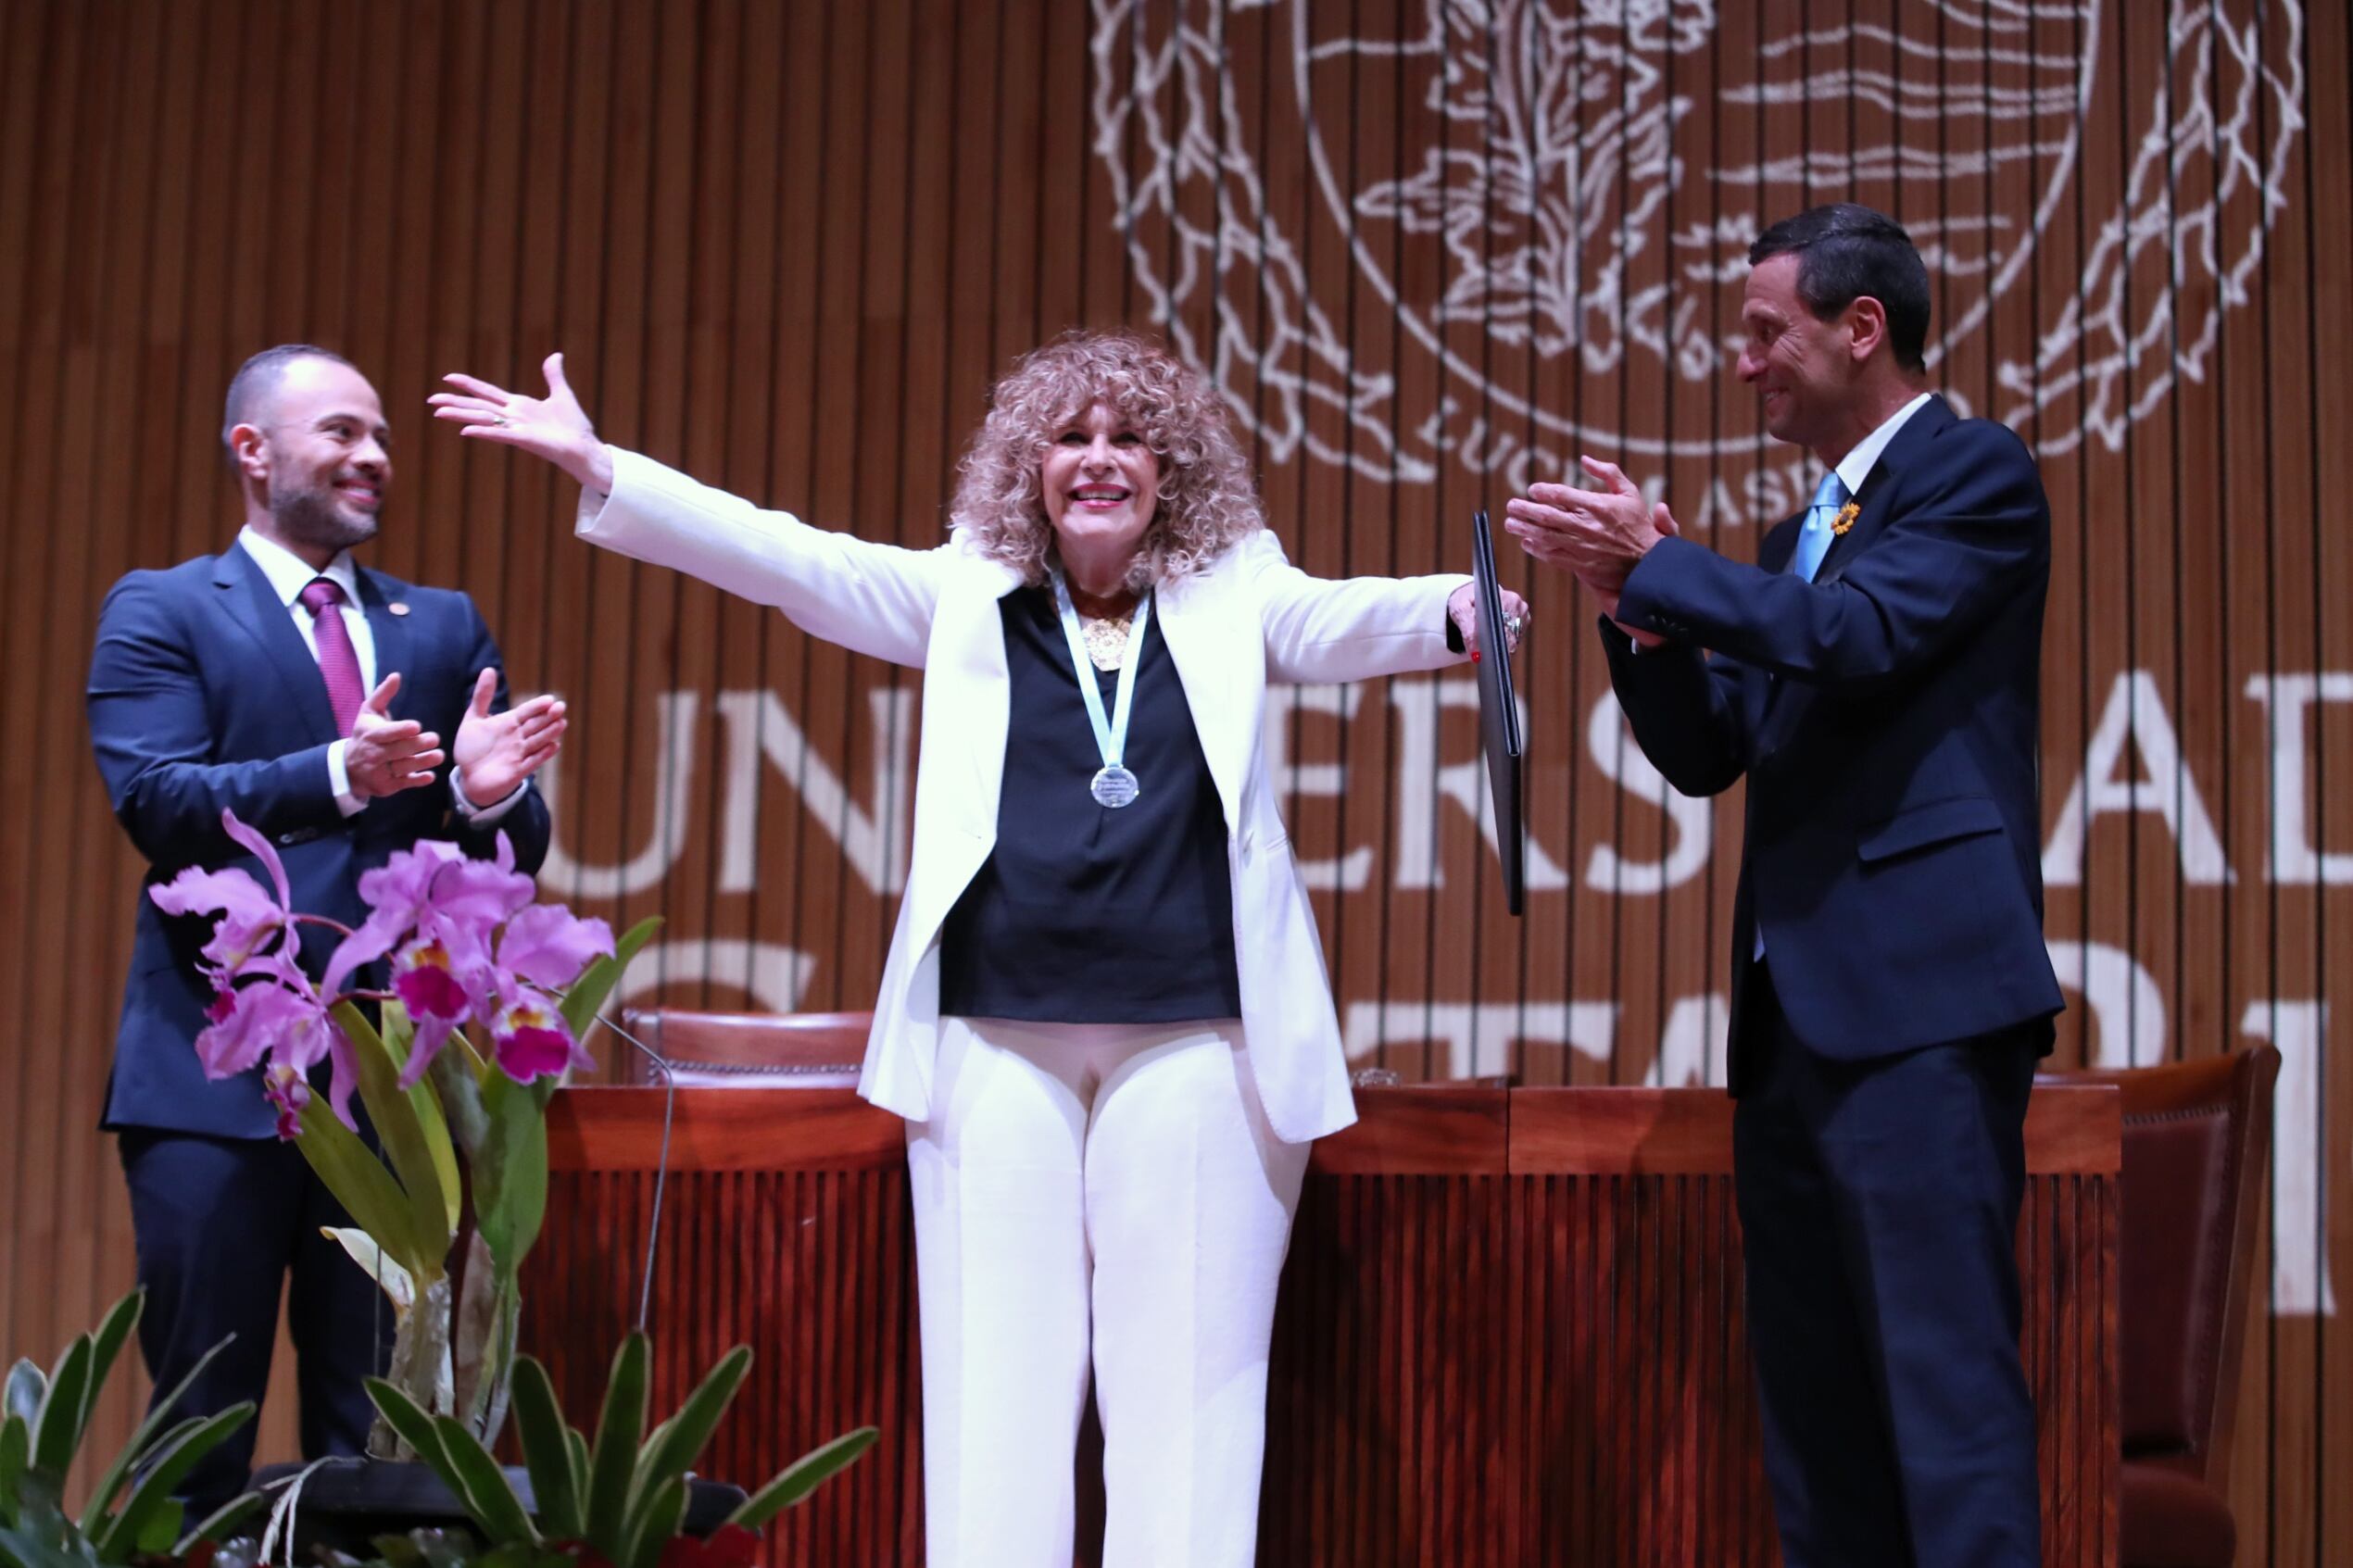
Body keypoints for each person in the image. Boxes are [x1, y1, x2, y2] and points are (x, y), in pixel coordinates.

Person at [430, 331, 1524, 1568]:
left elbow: (1339, 622)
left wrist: (1451, 610)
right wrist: (607, 467)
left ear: (1174, 469)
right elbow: (792, 559)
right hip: (993, 1040)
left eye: (1129, 437)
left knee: (1194, 1417)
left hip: (1204, 1045)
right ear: (1030, 467)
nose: (1100, 459)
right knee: (992, 1408)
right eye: (1071, 436)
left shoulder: (1240, 587)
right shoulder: (962, 594)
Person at [1504, 205, 2065, 1568]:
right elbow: (1710, 754)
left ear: (1860, 327)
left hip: (1920, 1011)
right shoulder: (1797, 531)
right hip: (1795, 1028)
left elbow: (1860, 636)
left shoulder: (1972, 472)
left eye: (1768, 332)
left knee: (1948, 1409)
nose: (1743, 361)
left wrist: (1670, 567)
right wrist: (1636, 612)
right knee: (1819, 1432)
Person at [87, 345, 567, 1510]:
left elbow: (497, 863)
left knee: (377, 1424)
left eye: (383, 438)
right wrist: (338, 773)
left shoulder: (441, 626)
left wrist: (489, 796)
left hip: (389, 1090)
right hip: (213, 1082)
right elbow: (156, 801)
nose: (373, 456)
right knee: (203, 1412)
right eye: (342, 432)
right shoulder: (161, 608)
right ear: (251, 450)